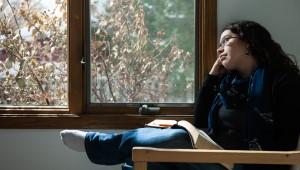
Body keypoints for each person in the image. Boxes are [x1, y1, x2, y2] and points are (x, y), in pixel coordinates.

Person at [60, 20, 300, 170]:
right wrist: (212, 78)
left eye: (226, 41)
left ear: (248, 43)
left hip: (247, 164)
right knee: (146, 161)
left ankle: (97, 143)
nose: (219, 48)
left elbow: (286, 142)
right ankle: (105, 145)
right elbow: (201, 122)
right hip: (214, 156)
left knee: (171, 139)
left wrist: (245, 155)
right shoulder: (229, 84)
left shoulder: (283, 80)